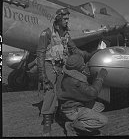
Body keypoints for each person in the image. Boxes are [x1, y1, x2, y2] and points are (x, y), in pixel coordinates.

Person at [36, 7, 94, 136]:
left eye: (68, 19)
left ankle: (63, 113)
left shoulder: (66, 35)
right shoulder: (46, 33)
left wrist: (90, 55)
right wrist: (42, 74)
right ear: (59, 19)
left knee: (64, 89)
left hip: (62, 65)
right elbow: (40, 53)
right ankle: (47, 123)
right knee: (50, 91)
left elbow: (75, 50)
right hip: (49, 65)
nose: (67, 21)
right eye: (65, 19)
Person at [56, 54, 108, 136]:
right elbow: (93, 93)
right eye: (82, 64)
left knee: (100, 106)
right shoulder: (76, 82)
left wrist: (83, 68)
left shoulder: (65, 75)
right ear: (77, 68)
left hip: (67, 105)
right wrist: (100, 78)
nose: (84, 64)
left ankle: (70, 118)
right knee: (102, 120)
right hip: (72, 109)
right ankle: (73, 125)